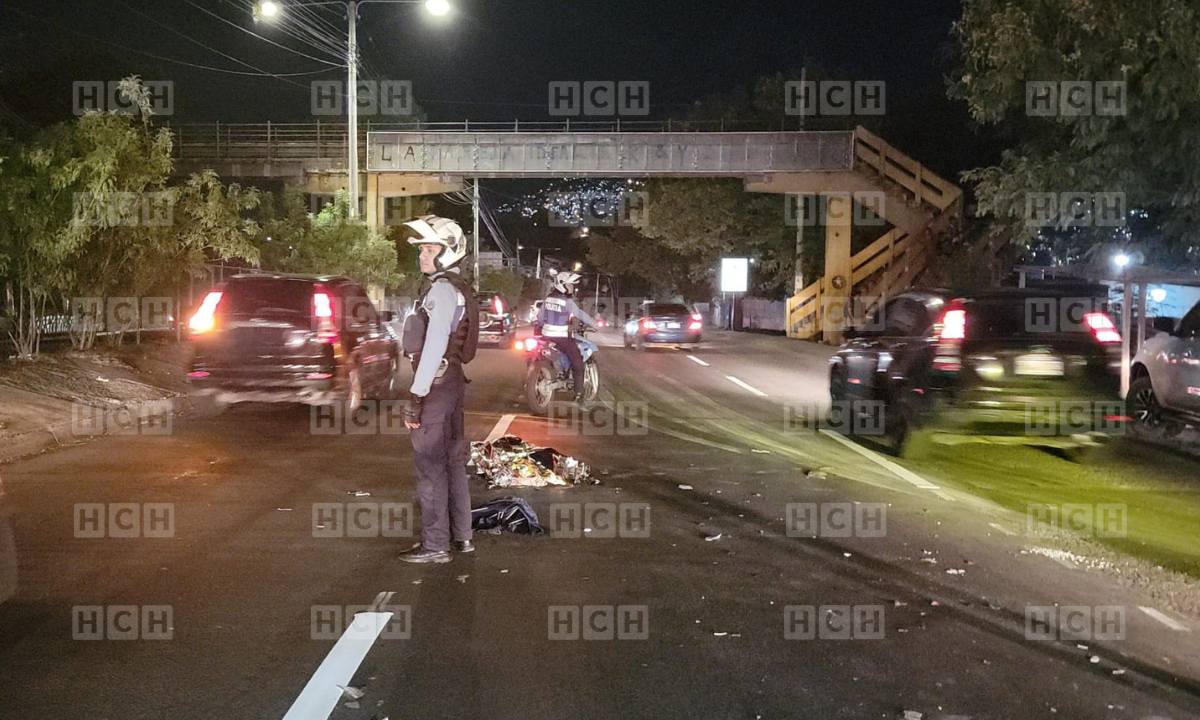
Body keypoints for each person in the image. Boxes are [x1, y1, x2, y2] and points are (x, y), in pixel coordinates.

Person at [398, 215, 479, 564]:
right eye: (422, 250)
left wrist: (416, 396)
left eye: (430, 249)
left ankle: (435, 546)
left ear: (450, 251)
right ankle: (462, 537)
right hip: (453, 383)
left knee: (431, 469)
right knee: (453, 464)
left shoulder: (442, 291)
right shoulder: (458, 288)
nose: (423, 255)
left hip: (437, 386)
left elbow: (434, 346)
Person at [537, 271, 597, 403]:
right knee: (578, 362)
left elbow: (540, 318)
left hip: (546, 336)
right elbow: (580, 314)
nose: (572, 288)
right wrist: (594, 324)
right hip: (561, 338)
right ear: (562, 285)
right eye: (569, 285)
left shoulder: (548, 299)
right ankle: (579, 393)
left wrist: (544, 326)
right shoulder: (566, 302)